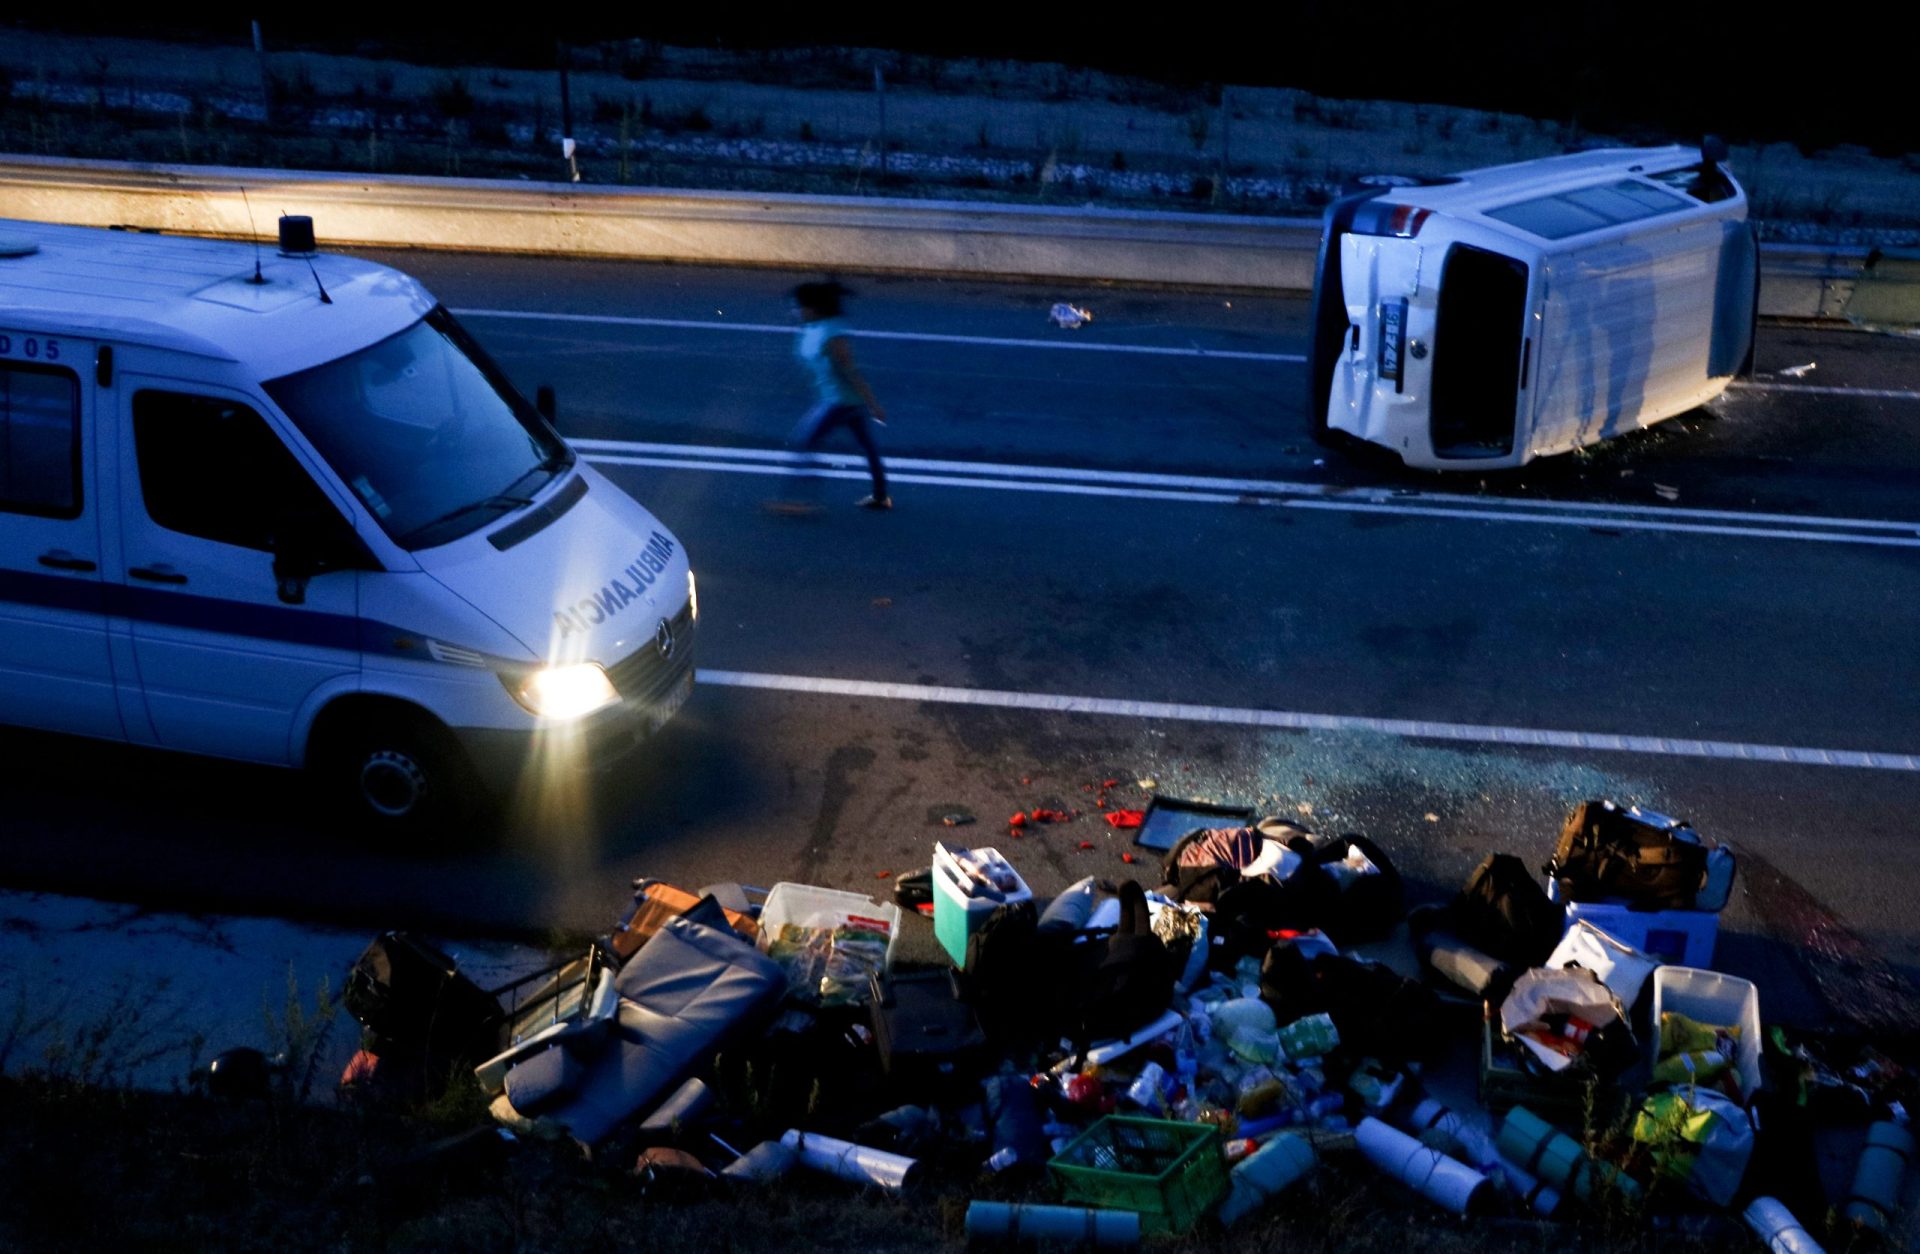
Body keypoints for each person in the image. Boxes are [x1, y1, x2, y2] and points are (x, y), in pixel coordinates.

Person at [778, 279, 891, 511]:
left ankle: (800, 500)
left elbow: (851, 371)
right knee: (867, 446)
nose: (796, 311)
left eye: (800, 307)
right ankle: (880, 497)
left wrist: (873, 404)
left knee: (804, 443)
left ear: (813, 309)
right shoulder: (813, 328)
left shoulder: (833, 334)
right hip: (838, 399)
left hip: (838, 402)